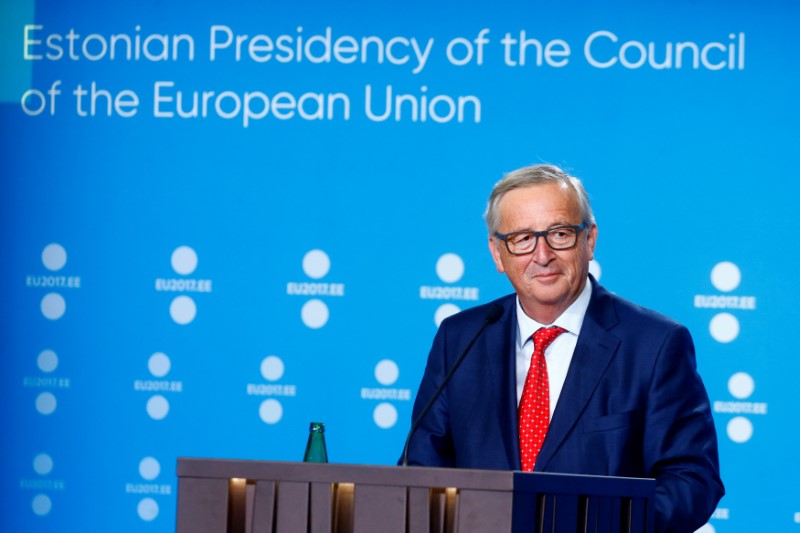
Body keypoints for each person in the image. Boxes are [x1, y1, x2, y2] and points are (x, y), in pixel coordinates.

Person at [403, 164, 724, 532]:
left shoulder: (655, 344)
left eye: (559, 234)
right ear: (496, 252)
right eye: (522, 238)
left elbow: (692, 480)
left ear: (589, 240)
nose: (542, 255)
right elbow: (420, 471)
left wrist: (604, 526)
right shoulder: (460, 338)